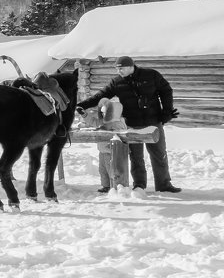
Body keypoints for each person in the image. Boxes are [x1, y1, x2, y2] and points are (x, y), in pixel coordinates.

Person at [76, 56, 181, 193]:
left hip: (153, 122)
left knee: (159, 154)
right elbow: (100, 96)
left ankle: (164, 185)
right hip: (132, 125)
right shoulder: (117, 82)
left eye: (122, 68)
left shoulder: (151, 75)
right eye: (117, 68)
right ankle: (139, 186)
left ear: (131, 66)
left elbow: (166, 90)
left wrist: (166, 110)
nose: (119, 71)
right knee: (136, 157)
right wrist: (81, 105)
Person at [92, 97, 129, 193]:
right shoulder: (105, 122)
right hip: (102, 150)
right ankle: (106, 186)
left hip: (111, 151)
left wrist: (106, 130)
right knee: (102, 170)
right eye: (103, 113)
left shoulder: (118, 122)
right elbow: (95, 123)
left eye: (105, 113)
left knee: (111, 170)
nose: (104, 115)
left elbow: (119, 133)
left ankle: (115, 186)